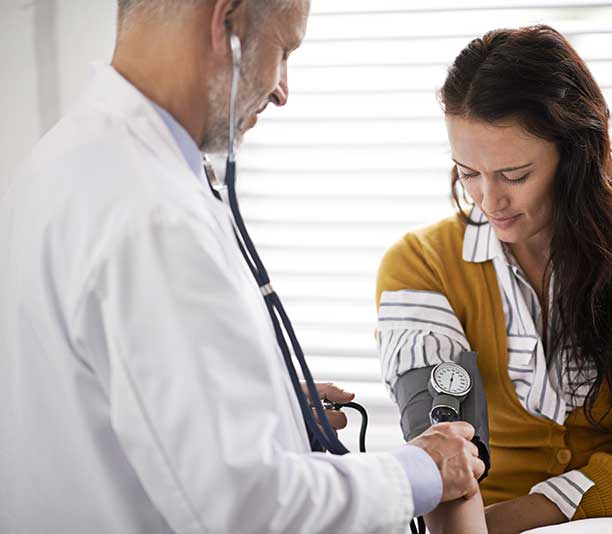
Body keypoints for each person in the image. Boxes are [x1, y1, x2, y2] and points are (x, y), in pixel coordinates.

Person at [0, 1, 485, 532]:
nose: (281, 90)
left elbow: (113, 403)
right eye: (283, 51)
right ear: (226, 22)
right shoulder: (151, 213)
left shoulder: (59, 163)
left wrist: (273, 405)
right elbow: (248, 507)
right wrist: (421, 469)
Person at [376, 25, 612, 534]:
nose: (489, 201)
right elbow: (444, 443)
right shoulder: (421, 262)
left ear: (575, 155)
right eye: (468, 172)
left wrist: (499, 525)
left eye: (514, 175)